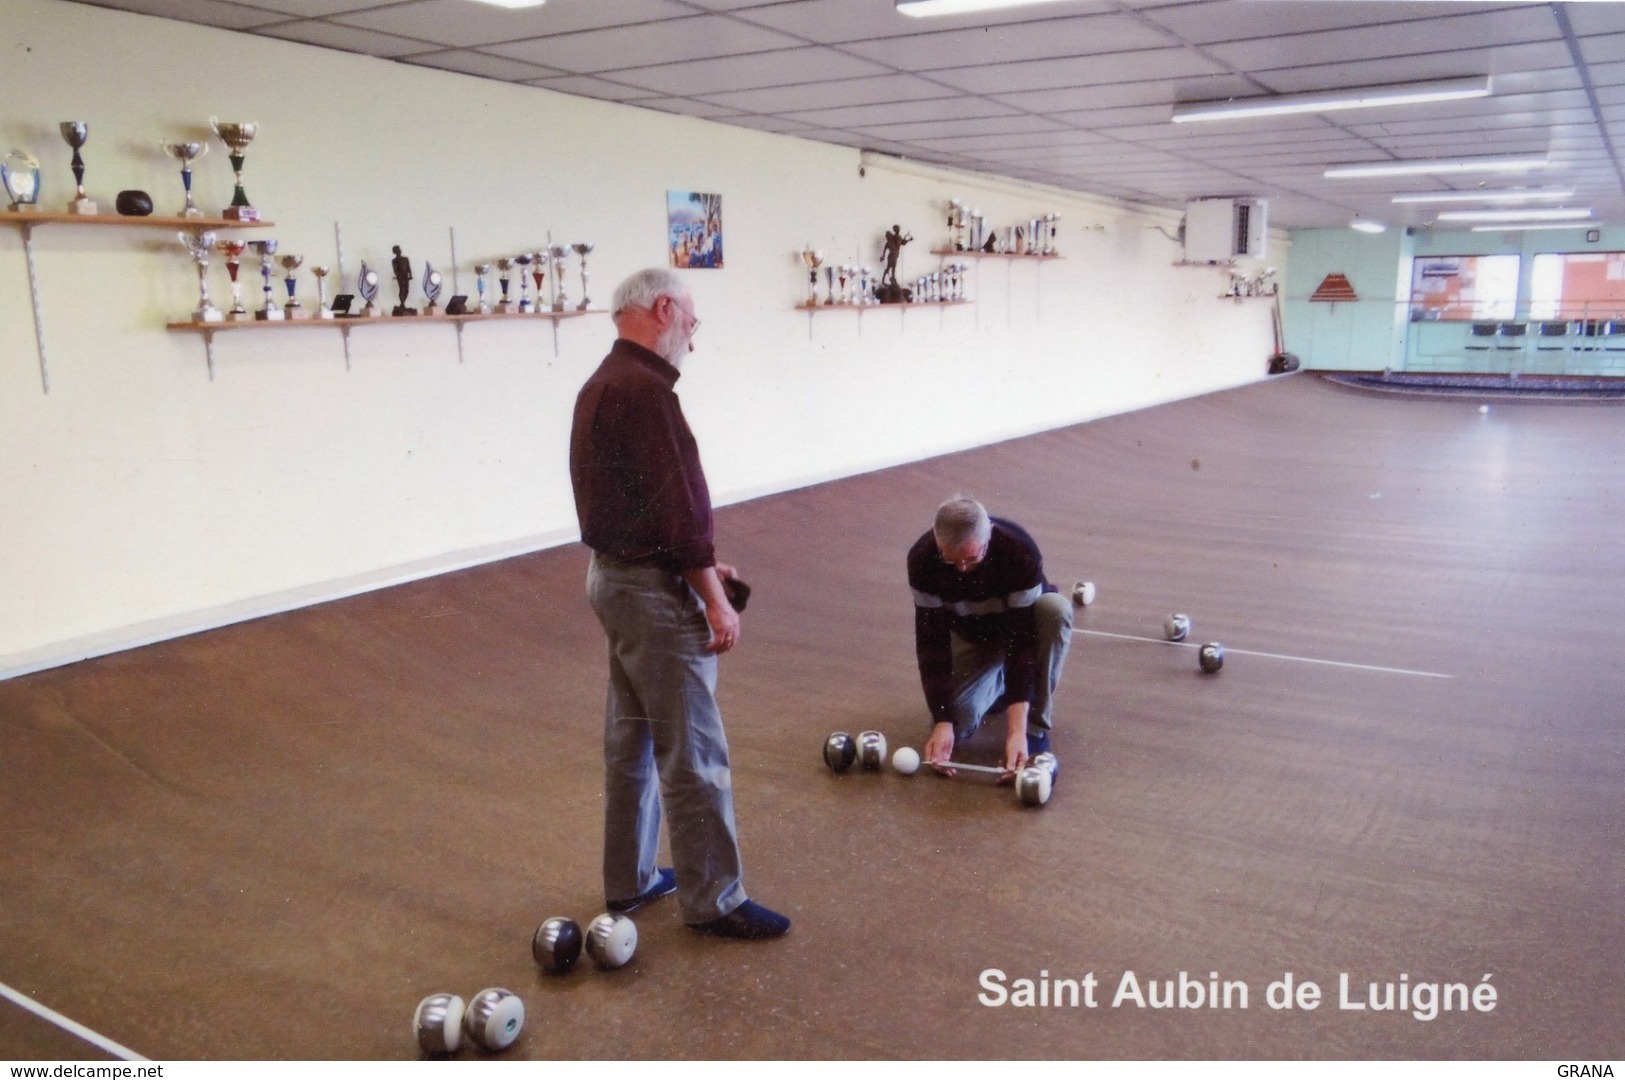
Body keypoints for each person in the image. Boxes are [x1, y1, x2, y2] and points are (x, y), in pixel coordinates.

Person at [568, 267, 790, 940]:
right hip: (651, 596)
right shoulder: (645, 393)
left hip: (614, 577)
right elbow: (680, 508)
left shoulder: (602, 383)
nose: (692, 334)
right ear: (663, 308)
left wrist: (688, 564)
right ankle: (714, 900)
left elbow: (637, 508)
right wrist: (715, 600)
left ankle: (630, 880)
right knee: (693, 749)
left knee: (631, 736)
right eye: (691, 320)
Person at [907, 496, 1072, 778]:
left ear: (989, 537)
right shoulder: (922, 559)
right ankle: (999, 691)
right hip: (972, 638)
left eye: (972, 558)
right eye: (951, 559)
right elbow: (931, 643)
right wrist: (943, 720)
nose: (961, 569)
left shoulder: (1019, 551)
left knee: (1055, 609)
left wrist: (1017, 732)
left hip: (1023, 631)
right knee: (958, 725)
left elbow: (1022, 644)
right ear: (936, 538)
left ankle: (1035, 726)